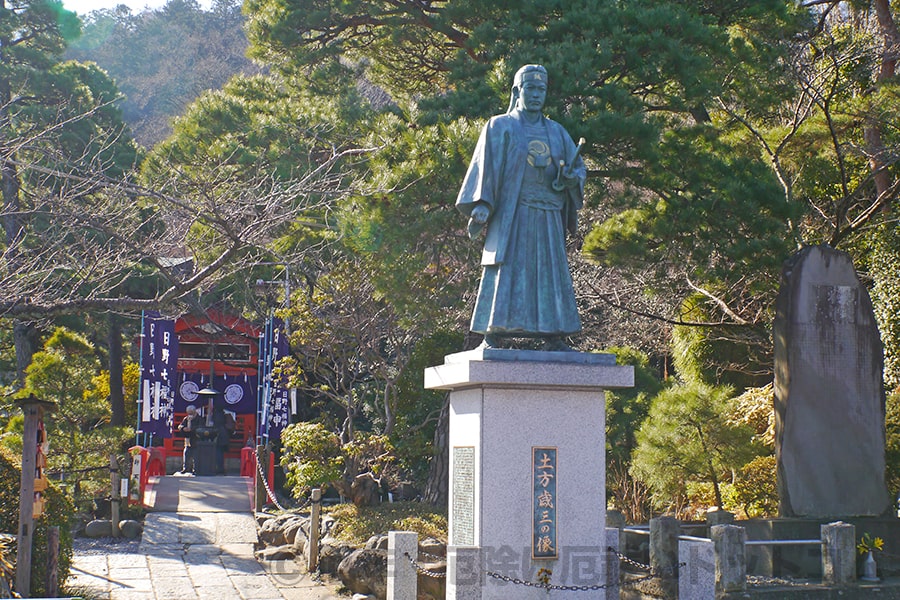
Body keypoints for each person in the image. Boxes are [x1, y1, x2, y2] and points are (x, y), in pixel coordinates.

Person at [456, 64, 585, 350]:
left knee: (550, 271)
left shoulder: (556, 131)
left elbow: (578, 170)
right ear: (517, 91)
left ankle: (555, 334)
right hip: (514, 213)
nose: (537, 95)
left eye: (542, 89)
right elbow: (486, 168)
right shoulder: (500, 126)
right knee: (507, 270)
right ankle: (494, 333)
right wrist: (482, 204)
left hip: (549, 215)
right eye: (532, 88)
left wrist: (570, 179)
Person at [211, 403, 236, 475]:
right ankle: (220, 468)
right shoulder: (224, 414)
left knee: (218, 453)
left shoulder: (216, 415)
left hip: (218, 435)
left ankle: (218, 469)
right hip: (224, 435)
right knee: (220, 453)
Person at [177, 405, 200, 474]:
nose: (190, 414)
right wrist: (183, 428)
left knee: (196, 455)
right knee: (186, 453)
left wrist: (192, 429)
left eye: (191, 413)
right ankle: (186, 468)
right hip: (188, 439)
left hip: (196, 439)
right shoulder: (186, 419)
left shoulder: (199, 419)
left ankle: (195, 469)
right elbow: (180, 425)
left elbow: (201, 427)